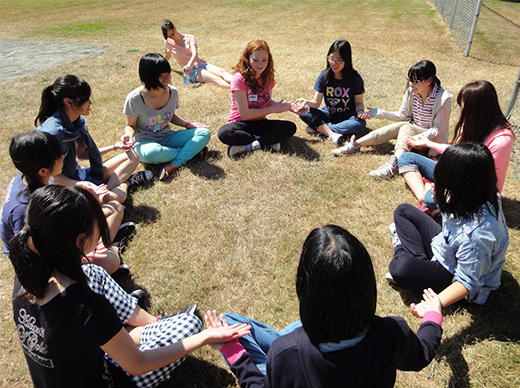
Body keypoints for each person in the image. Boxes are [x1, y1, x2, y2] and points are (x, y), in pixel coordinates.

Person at [10, 185, 251, 387]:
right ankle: (133, 335)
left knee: (92, 271)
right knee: (190, 324)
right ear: (80, 241)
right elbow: (138, 365)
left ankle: (138, 330)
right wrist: (205, 337)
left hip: (76, 366)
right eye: (98, 221)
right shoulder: (87, 306)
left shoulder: (25, 278)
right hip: (113, 379)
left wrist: (77, 198)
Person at [204, 225, 444, 387]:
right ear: (367, 288)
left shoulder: (285, 355)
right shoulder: (393, 333)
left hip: (297, 350)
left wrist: (231, 351)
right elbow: (422, 353)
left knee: (232, 323)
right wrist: (432, 317)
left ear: (305, 291)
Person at [388, 143, 509, 307]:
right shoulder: (481, 194)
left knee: (399, 268)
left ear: (459, 184)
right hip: (447, 247)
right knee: (403, 211)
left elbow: (467, 283)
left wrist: (435, 303)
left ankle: (407, 253)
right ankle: (419, 263)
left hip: (453, 275)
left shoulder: (477, 236)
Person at [1, 131, 134, 274]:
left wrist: (84, 191)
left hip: (59, 240)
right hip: (48, 262)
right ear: (44, 170)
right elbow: (35, 258)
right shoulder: (24, 210)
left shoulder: (30, 175)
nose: (62, 157)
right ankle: (105, 252)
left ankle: (104, 244)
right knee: (110, 261)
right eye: (58, 156)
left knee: (115, 208)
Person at [398, 80, 515, 212]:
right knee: (406, 158)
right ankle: (425, 197)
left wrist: (448, 185)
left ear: (475, 109)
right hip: (456, 175)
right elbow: (457, 153)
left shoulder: (502, 139)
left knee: (433, 199)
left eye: (462, 105)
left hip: (475, 191)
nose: (459, 109)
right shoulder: (471, 123)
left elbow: (482, 179)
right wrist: (428, 143)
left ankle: (430, 199)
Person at [35, 75, 152, 204]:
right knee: (113, 200)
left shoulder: (75, 121)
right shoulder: (54, 133)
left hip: (83, 176)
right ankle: (127, 183)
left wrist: (115, 146)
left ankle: (103, 191)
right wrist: (82, 185)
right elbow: (54, 177)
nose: (90, 102)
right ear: (68, 102)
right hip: (70, 187)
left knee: (133, 157)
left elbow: (83, 154)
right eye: (85, 99)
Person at [333, 60, 452, 179]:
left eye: (415, 81)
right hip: (413, 132)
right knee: (403, 125)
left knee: (406, 127)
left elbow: (438, 129)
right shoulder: (412, 92)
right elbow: (402, 115)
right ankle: (355, 145)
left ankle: (394, 164)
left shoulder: (443, 98)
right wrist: (379, 113)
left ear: (429, 80)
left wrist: (417, 138)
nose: (411, 84)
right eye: (410, 80)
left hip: (429, 140)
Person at [121, 53, 211, 181]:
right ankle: (190, 152)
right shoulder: (134, 98)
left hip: (167, 137)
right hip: (145, 143)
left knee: (204, 133)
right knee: (152, 153)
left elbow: (171, 116)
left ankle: (175, 163)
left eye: (168, 74)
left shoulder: (172, 92)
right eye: (161, 76)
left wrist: (188, 125)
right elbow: (130, 125)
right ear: (148, 76)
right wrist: (129, 136)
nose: (167, 78)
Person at [218, 39, 301, 157]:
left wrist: (287, 107)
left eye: (264, 60)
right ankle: (266, 141)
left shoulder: (268, 77)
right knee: (224, 133)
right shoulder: (239, 78)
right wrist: (273, 109)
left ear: (269, 59)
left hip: (260, 122)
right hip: (241, 124)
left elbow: (265, 102)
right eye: (255, 60)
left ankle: (251, 146)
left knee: (290, 127)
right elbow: (245, 114)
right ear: (247, 59)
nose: (260, 64)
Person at [293, 40, 366, 146]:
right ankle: (329, 130)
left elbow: (359, 103)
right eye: (331, 58)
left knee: (359, 124)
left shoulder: (355, 79)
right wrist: (306, 102)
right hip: (329, 114)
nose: (333, 63)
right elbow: (316, 103)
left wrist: (360, 112)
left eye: (339, 60)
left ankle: (320, 128)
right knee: (303, 110)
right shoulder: (324, 76)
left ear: (347, 60)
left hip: (348, 117)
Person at [161, 19, 233, 88]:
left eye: (172, 34)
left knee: (222, 72)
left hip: (201, 64)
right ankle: (237, 90)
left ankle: (242, 83)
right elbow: (168, 56)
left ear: (175, 27)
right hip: (192, 71)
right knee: (217, 79)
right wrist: (159, 67)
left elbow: (195, 53)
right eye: (169, 36)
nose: (172, 37)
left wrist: (188, 64)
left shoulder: (189, 38)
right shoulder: (168, 42)